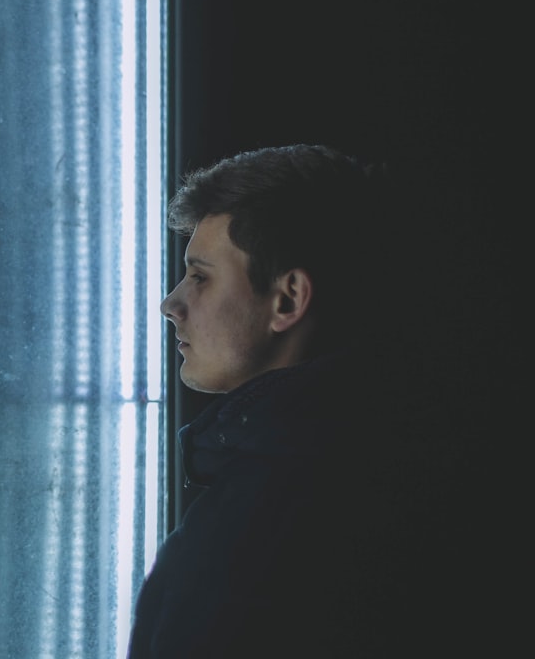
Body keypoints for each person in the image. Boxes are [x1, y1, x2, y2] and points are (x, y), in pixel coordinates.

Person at [127, 144, 462, 657]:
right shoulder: (406, 458)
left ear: (287, 300)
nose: (171, 303)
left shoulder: (264, 524)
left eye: (200, 277)